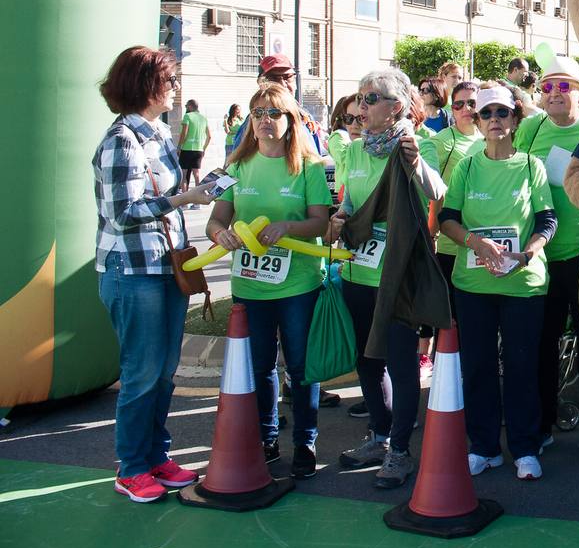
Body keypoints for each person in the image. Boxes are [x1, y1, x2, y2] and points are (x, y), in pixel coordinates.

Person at [94, 47, 217, 503]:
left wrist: (196, 193)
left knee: (164, 371)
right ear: (147, 86)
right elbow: (123, 213)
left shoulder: (161, 135)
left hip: (165, 268)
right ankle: (131, 466)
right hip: (132, 272)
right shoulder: (121, 140)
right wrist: (183, 201)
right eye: (169, 81)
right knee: (142, 371)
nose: (176, 89)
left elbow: (162, 199)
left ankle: (155, 457)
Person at [205, 84, 332, 479]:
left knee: (299, 365)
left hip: (297, 285)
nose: (264, 120)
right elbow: (215, 220)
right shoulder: (235, 167)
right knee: (260, 366)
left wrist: (288, 227)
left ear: (290, 120)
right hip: (249, 286)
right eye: (257, 113)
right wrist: (217, 235)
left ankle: (305, 442)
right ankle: (267, 437)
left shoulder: (308, 168)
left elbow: (321, 222)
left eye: (273, 113)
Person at [328, 69, 445, 489]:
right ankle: (378, 433)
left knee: (400, 361)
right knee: (367, 359)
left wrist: (416, 165)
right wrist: (340, 219)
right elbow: (351, 205)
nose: (362, 106)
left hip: (397, 276)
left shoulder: (418, 144)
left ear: (396, 106)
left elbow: (437, 192)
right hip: (358, 269)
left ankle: (400, 449)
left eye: (371, 98)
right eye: (360, 98)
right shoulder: (357, 151)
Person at [439, 85, 555, 480]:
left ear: (515, 119)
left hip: (522, 284)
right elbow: (447, 219)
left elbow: (547, 221)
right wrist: (476, 242)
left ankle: (525, 448)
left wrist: (526, 254)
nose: (494, 121)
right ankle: (485, 447)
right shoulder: (468, 167)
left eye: (502, 114)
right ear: (476, 119)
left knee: (523, 368)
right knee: (478, 367)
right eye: (486, 114)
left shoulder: (531, 166)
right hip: (473, 285)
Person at [513, 57, 579, 457]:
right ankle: (541, 424)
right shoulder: (529, 127)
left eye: (563, 87)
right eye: (548, 87)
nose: (554, 94)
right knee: (543, 341)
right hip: (539, 254)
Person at [430, 80, 485, 309]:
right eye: (458, 105)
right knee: (452, 317)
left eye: (472, 103)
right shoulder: (443, 141)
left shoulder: (490, 136)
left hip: (483, 239)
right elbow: (427, 185)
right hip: (450, 244)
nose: (466, 110)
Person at [227, 54, 324, 155]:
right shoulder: (253, 124)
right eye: (274, 78)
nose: (283, 84)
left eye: (288, 77)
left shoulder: (305, 117)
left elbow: (316, 159)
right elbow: (237, 165)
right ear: (260, 83)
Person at [177, 99, 211, 187]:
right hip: (199, 149)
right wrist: (203, 148)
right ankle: (198, 196)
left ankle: (184, 197)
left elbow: (184, 133)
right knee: (196, 174)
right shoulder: (203, 118)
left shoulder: (187, 116)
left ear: (190, 106)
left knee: (184, 174)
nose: (186, 108)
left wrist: (179, 146)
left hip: (186, 149)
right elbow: (209, 136)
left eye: (186, 106)